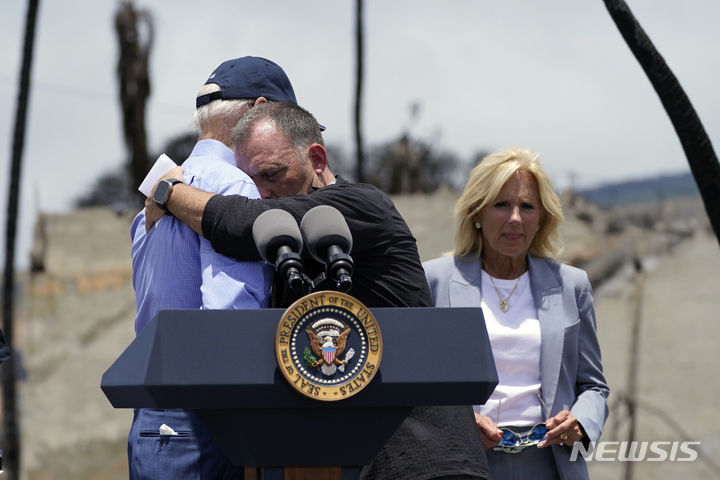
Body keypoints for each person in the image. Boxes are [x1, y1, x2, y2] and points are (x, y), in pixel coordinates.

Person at [144, 101, 491, 479]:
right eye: (250, 183)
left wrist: (167, 190)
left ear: (317, 159)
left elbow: (242, 224)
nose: (262, 192)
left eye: (272, 174)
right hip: (333, 459)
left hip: (419, 458)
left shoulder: (360, 204)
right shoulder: (283, 247)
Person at [128, 56, 303, 479]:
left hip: (153, 414)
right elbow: (230, 322)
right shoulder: (235, 187)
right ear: (258, 111)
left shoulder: (153, 199)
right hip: (206, 419)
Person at [422, 147, 609, 480]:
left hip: (552, 464)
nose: (514, 219)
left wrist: (580, 422)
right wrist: (459, 421)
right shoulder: (434, 280)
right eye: (501, 205)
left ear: (542, 218)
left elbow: (593, 386)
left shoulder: (571, 285)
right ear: (477, 212)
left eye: (527, 207)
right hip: (461, 461)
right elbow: (417, 384)